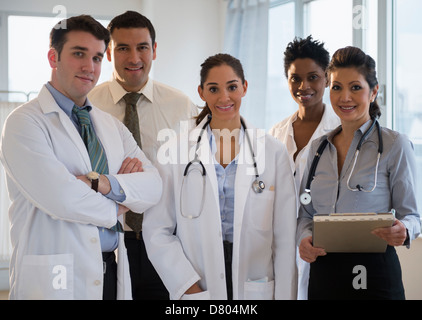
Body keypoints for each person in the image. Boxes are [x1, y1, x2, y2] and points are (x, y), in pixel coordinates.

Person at [0, 15, 162, 300]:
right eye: (79, 54)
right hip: (56, 276)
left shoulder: (110, 125)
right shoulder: (24, 123)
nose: (90, 67)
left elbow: (153, 186)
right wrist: (120, 204)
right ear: (53, 57)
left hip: (110, 270)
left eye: (98, 58)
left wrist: (99, 183)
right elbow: (62, 197)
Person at [142, 53, 298, 300]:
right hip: (198, 282)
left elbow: (285, 238)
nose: (224, 97)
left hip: (255, 284)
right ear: (201, 93)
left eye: (232, 87)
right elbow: (156, 230)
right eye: (213, 89)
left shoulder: (273, 152)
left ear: (244, 88)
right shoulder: (174, 153)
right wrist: (186, 285)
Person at [88, 11, 198, 300]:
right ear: (109, 53)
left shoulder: (181, 106)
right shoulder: (89, 107)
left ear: (155, 50)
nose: (134, 57)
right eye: (122, 48)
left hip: (165, 242)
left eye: (142, 47)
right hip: (108, 241)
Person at [297, 46, 420, 300]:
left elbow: (413, 216)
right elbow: (306, 213)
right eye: (336, 87)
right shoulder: (317, 148)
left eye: (355, 87)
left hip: (374, 275)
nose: (345, 97)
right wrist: (305, 238)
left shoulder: (395, 145)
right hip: (324, 274)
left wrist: (404, 230)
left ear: (373, 91)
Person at [269, 35, 340, 300]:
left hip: (322, 245)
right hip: (282, 244)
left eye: (313, 77)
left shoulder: (339, 131)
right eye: (295, 78)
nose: (303, 86)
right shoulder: (276, 133)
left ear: (326, 78)